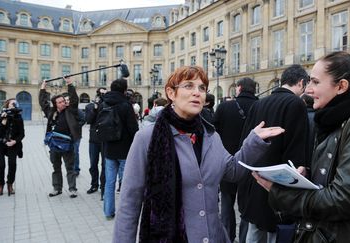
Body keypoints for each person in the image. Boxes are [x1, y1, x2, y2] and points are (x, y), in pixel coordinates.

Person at [112, 66, 284, 243]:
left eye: (202, 88)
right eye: (188, 86)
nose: (197, 93)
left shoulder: (211, 136)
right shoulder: (147, 138)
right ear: (171, 93)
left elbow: (232, 171)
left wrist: (253, 142)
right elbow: (129, 204)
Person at [253, 49, 350, 242]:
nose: (308, 89)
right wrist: (308, 177)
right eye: (309, 81)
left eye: (316, 82)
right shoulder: (333, 120)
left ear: (341, 86)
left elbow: (345, 199)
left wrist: (283, 195)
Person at [238, 64, 310, 243]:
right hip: (279, 181)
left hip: (256, 178)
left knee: (254, 230)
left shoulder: (259, 103)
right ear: (301, 83)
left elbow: (245, 141)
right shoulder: (295, 103)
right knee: (276, 234)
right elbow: (296, 145)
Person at [213, 77, 258, 243]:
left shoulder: (225, 107)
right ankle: (245, 238)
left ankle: (228, 236)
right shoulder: (260, 105)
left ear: (238, 88)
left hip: (227, 160)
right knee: (247, 207)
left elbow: (213, 132)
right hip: (252, 163)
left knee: (226, 203)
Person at [101, 78, 139, 219]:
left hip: (109, 148)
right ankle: (125, 212)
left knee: (109, 182)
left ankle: (108, 212)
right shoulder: (125, 105)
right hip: (124, 149)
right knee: (125, 182)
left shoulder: (104, 103)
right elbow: (133, 128)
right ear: (124, 89)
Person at [39, 77, 80, 198]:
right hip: (54, 145)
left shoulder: (70, 110)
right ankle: (57, 188)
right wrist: (43, 87)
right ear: (55, 104)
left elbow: (74, 99)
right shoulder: (51, 112)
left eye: (64, 101)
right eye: (60, 102)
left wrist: (69, 84)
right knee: (56, 167)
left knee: (70, 168)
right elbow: (42, 102)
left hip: (68, 145)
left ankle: (72, 189)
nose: (63, 103)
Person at [0, 98, 24, 196]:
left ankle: (10, 183)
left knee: (12, 164)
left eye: (15, 104)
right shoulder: (1, 116)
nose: (13, 105)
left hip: (12, 144)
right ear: (7, 105)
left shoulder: (18, 118)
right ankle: (0, 184)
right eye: (11, 104)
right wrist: (2, 122)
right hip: (0, 144)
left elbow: (22, 134)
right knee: (0, 165)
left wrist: (14, 141)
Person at [85, 87, 107, 198]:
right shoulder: (90, 106)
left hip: (104, 140)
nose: (102, 96)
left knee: (105, 164)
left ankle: (104, 187)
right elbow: (89, 120)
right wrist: (95, 108)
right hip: (93, 140)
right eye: (100, 93)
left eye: (104, 93)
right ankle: (94, 185)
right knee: (93, 164)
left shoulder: (108, 106)